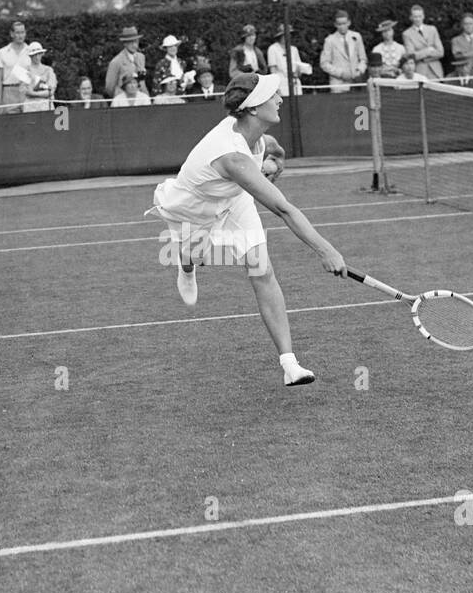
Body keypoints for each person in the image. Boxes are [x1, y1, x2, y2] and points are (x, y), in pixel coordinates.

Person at [145, 72, 346, 387]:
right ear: (253, 108)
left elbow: (278, 156)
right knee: (193, 255)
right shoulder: (233, 157)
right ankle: (185, 266)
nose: (280, 99)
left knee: (262, 271)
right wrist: (327, 250)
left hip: (234, 200)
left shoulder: (263, 140)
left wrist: (274, 168)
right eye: (273, 96)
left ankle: (290, 364)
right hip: (194, 207)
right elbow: (283, 208)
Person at [320, 10, 367, 93]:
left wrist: (359, 71)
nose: (342, 26)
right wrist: (341, 74)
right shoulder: (329, 40)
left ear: (349, 23)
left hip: (356, 82)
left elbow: (363, 59)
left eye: (344, 23)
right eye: (339, 24)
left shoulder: (356, 36)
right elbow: (324, 64)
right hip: (338, 85)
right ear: (335, 25)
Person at [0, 20, 32, 106]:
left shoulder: (31, 51)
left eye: (22, 32)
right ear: (12, 34)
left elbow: (35, 72)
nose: (20, 36)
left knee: (29, 118)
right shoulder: (2, 52)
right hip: (8, 91)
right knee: (10, 119)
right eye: (17, 33)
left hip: (27, 91)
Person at [266, 25, 311, 96]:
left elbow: (299, 68)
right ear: (280, 36)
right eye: (285, 34)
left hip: (295, 84)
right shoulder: (273, 49)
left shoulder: (294, 49)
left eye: (290, 34)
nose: (288, 36)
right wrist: (276, 88)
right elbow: (273, 71)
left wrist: (298, 72)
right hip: (281, 84)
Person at [104, 26, 147, 98]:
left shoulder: (141, 57)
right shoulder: (116, 61)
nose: (134, 45)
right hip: (124, 100)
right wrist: (120, 97)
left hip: (140, 99)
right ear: (125, 43)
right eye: (131, 42)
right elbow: (109, 87)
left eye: (136, 41)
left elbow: (142, 81)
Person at [403, 5, 444, 79]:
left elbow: (440, 52)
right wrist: (428, 51)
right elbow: (412, 56)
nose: (418, 19)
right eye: (415, 17)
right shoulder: (407, 34)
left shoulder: (432, 29)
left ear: (423, 16)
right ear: (411, 18)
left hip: (436, 70)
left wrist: (422, 57)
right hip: (420, 70)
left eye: (419, 16)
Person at [22, 42, 56, 112]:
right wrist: (43, 92)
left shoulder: (49, 70)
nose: (37, 57)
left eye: (39, 54)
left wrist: (33, 93)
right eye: (34, 55)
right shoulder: (25, 71)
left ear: (42, 54)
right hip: (30, 107)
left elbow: (50, 91)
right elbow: (26, 91)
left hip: (46, 105)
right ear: (30, 56)